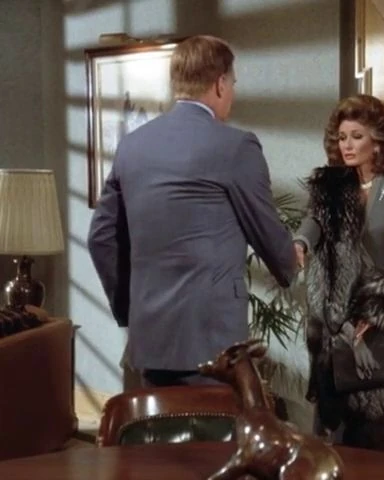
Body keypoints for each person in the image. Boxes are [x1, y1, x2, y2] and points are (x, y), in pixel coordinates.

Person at [87, 35, 297, 388]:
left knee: (160, 424)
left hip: (151, 341)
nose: (232, 94)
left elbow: (101, 238)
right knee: (213, 426)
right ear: (220, 83)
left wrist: (132, 310)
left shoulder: (132, 145)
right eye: (232, 84)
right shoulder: (236, 146)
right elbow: (269, 235)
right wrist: (290, 260)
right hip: (215, 345)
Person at [294, 94, 384, 451]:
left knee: (371, 422)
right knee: (331, 424)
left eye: (356, 136)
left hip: (373, 322)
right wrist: (300, 243)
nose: (347, 145)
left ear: (378, 141)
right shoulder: (331, 187)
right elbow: (313, 221)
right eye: (342, 137)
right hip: (333, 321)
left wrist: (376, 310)